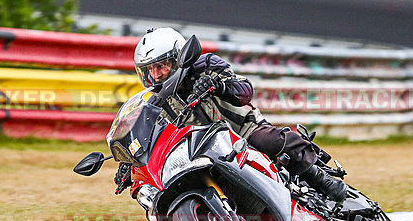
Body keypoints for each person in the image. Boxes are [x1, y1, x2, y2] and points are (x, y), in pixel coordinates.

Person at [122, 27, 348, 203]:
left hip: (243, 132)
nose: (156, 75)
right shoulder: (156, 103)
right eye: (149, 70)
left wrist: (219, 86)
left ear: (178, 59)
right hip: (202, 153)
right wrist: (129, 162)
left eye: (160, 66)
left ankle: (319, 177)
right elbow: (146, 137)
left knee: (267, 140)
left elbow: (245, 91)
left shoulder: (207, 64)